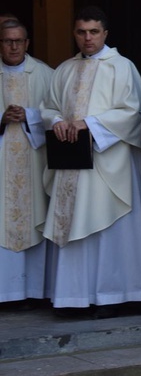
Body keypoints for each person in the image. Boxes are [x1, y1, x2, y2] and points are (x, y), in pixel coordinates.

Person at [42, 6, 141, 319]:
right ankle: (74, 296)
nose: (87, 38)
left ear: (105, 33)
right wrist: (55, 121)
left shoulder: (121, 67)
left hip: (110, 164)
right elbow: (48, 106)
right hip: (71, 163)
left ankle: (115, 295)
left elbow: (133, 113)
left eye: (94, 32)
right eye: (81, 32)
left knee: (108, 226)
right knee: (75, 225)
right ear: (75, 34)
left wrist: (89, 124)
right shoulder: (64, 69)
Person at [0, 19, 54, 304]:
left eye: (18, 41)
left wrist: (31, 116)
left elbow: (59, 113)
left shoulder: (45, 74)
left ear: (27, 43)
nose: (13, 46)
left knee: (35, 217)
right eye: (7, 41)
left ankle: (34, 291)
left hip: (34, 162)